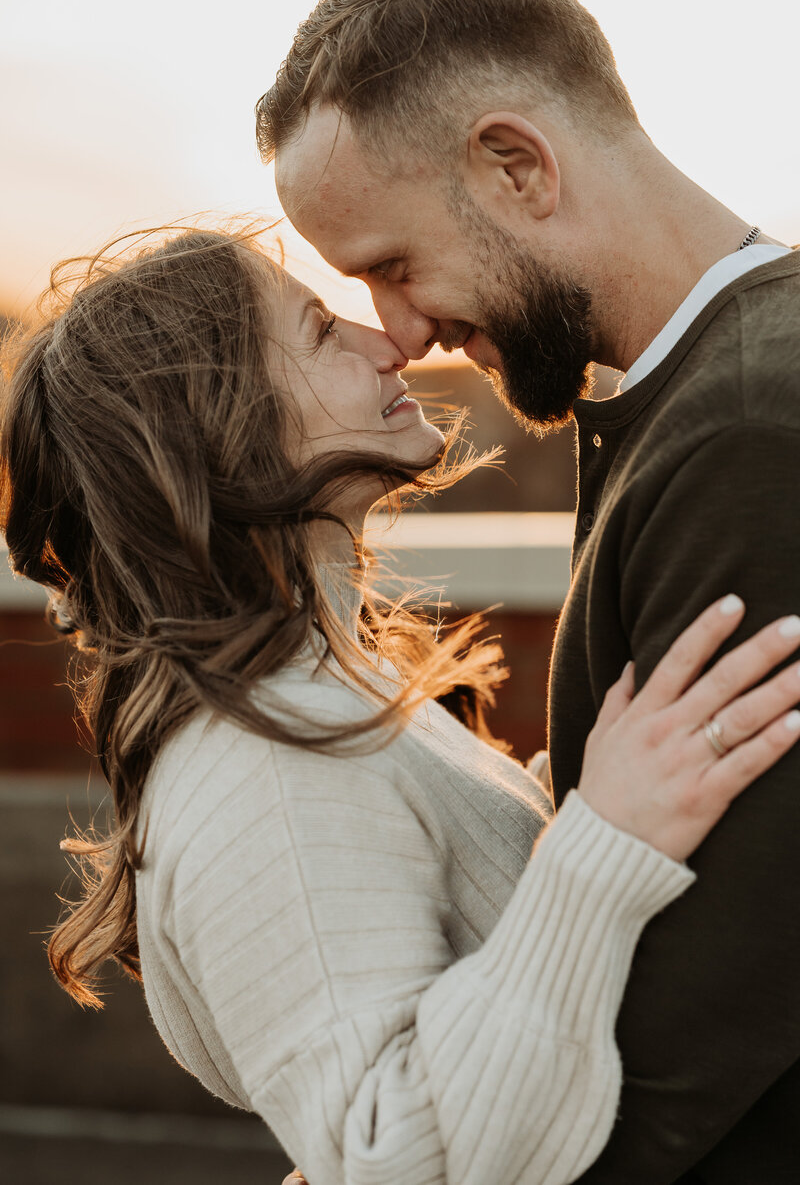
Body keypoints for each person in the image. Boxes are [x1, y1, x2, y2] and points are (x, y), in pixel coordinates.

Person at [2, 226, 800, 1185]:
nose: (387, 341)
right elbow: (391, 1159)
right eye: (316, 330)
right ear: (225, 426)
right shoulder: (268, 774)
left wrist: (583, 792)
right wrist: (604, 845)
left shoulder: (316, 696)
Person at [259, 0, 800, 1179]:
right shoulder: (683, 397)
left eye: (393, 264)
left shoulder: (753, 428)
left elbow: (704, 1012)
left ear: (516, 167)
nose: (395, 332)